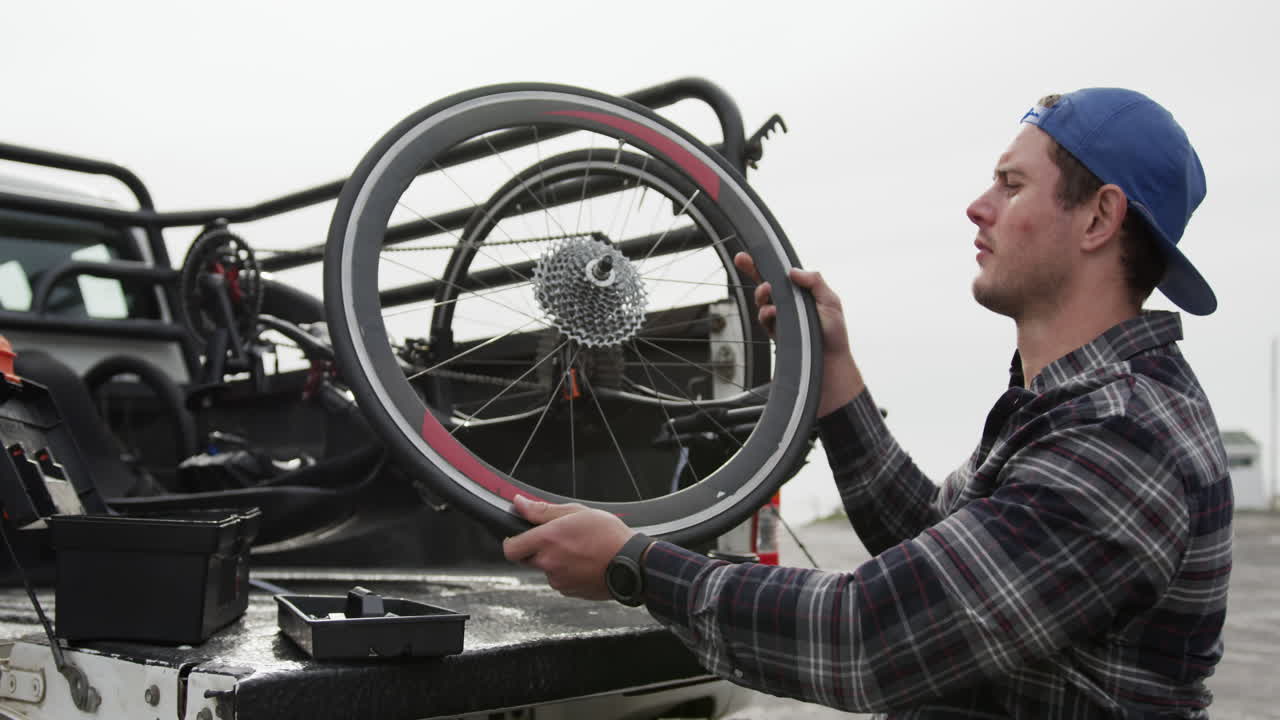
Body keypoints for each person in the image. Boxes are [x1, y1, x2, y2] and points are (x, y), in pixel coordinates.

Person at [501, 88, 1232, 718]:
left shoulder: (1121, 438)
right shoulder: (1070, 405)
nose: (977, 207)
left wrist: (635, 567)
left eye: (1011, 186)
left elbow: (872, 635)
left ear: (1100, 219)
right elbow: (934, 551)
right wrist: (836, 379)